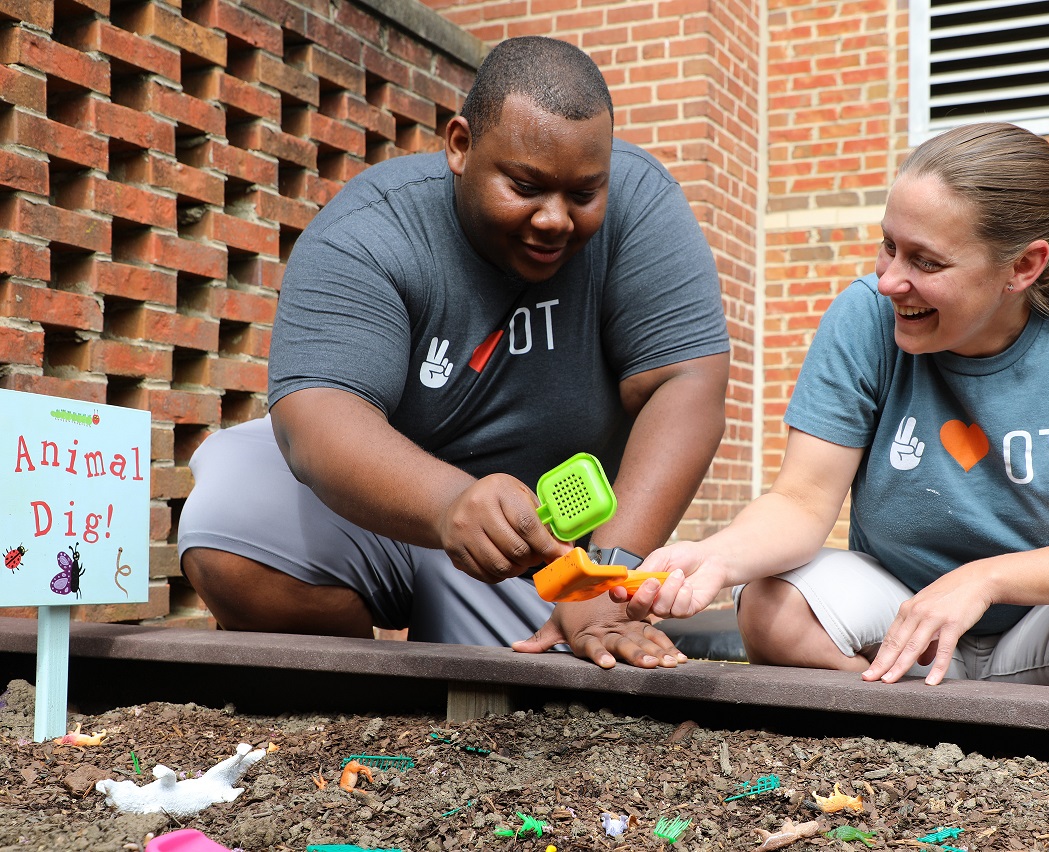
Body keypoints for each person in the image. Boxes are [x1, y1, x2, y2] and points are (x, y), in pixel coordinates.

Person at [623, 122, 1049, 696]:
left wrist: (984, 579)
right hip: (903, 614)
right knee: (771, 609)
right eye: (888, 247)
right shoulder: (865, 315)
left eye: (926, 261)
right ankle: (929, 716)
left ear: (1024, 266)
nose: (891, 280)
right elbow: (802, 500)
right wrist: (714, 556)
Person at [176, 36, 730, 670]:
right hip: (389, 510)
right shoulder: (371, 230)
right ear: (460, 146)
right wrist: (449, 506)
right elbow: (316, 419)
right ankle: (361, 693)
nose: (555, 218)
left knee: (549, 707)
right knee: (229, 521)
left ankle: (484, 631)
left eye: (583, 195)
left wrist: (601, 578)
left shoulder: (643, 206)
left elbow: (686, 383)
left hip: (546, 553)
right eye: (525, 186)